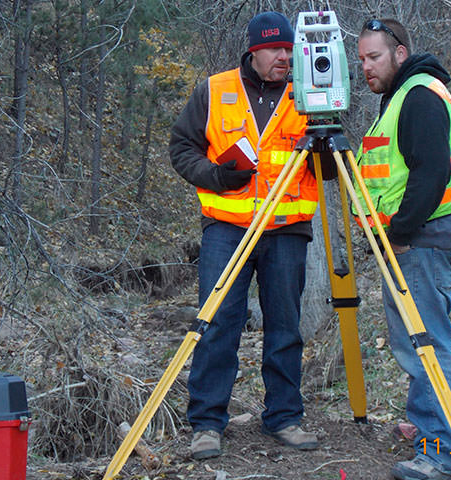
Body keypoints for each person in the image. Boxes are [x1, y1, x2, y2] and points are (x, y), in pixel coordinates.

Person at [168, 11, 320, 460]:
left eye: (291, 51)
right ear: (253, 51)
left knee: (285, 327)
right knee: (217, 324)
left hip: (288, 229)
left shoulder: (308, 93)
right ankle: (207, 424)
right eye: (276, 50)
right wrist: (216, 175)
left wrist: (329, 138)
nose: (284, 58)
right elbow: (181, 147)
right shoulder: (215, 90)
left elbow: (326, 170)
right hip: (226, 229)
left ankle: (284, 417)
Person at [355, 19, 451, 480]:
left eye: (374, 57)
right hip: (414, 239)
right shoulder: (405, 94)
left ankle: (441, 452)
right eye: (361, 59)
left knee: (428, 344)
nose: (365, 67)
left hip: (420, 240)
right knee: (416, 343)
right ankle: (429, 423)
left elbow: (431, 174)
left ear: (400, 53)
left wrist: (399, 233)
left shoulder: (418, 96)